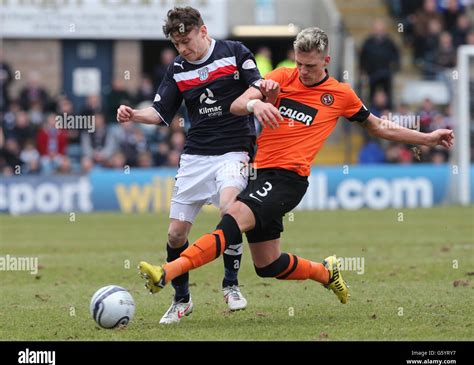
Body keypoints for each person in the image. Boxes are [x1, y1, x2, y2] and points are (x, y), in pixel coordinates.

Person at [138, 27, 454, 308]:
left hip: (288, 179)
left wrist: (427, 138)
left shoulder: (340, 95)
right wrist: (258, 102)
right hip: (257, 174)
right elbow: (235, 105)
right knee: (267, 264)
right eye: (298, 63)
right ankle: (325, 272)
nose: (302, 71)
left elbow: (379, 127)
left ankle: (168, 272)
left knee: (231, 217)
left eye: (310, 65)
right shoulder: (279, 78)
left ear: (326, 61)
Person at [117, 6, 277, 324]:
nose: (183, 48)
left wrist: (259, 100)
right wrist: (134, 114)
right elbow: (162, 112)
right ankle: (181, 300)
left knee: (230, 210)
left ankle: (230, 284)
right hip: (195, 155)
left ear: (202, 31)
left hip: (234, 149)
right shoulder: (177, 68)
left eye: (187, 40)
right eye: (177, 44)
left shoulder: (234, 52)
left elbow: (257, 86)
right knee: (176, 234)